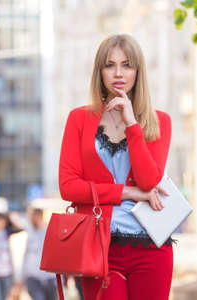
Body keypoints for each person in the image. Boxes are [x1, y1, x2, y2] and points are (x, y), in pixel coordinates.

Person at [58, 34, 175, 300]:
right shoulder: (79, 119)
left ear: (138, 71)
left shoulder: (159, 122)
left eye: (127, 65)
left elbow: (148, 181)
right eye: (110, 65)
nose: (118, 73)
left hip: (151, 246)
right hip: (98, 246)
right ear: (99, 72)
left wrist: (133, 124)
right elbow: (68, 186)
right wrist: (127, 193)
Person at [21, 208, 57, 300]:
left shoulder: (50, 231)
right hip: (33, 275)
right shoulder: (30, 232)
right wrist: (22, 276)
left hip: (50, 276)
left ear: (38, 216)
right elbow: (26, 254)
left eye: (32, 217)